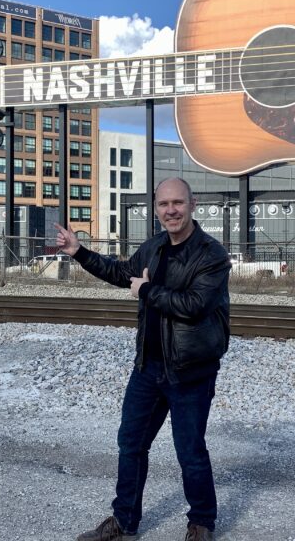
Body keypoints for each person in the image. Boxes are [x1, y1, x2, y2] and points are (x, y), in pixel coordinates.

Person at [54, 177, 231, 541]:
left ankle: (201, 523)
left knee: (191, 453)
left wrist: (147, 289)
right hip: (148, 369)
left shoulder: (211, 255)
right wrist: (79, 252)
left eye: (178, 203)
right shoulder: (153, 248)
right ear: (155, 208)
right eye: (164, 204)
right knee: (131, 444)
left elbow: (194, 307)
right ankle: (124, 522)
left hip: (190, 373)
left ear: (192, 204)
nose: (171, 210)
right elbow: (122, 274)